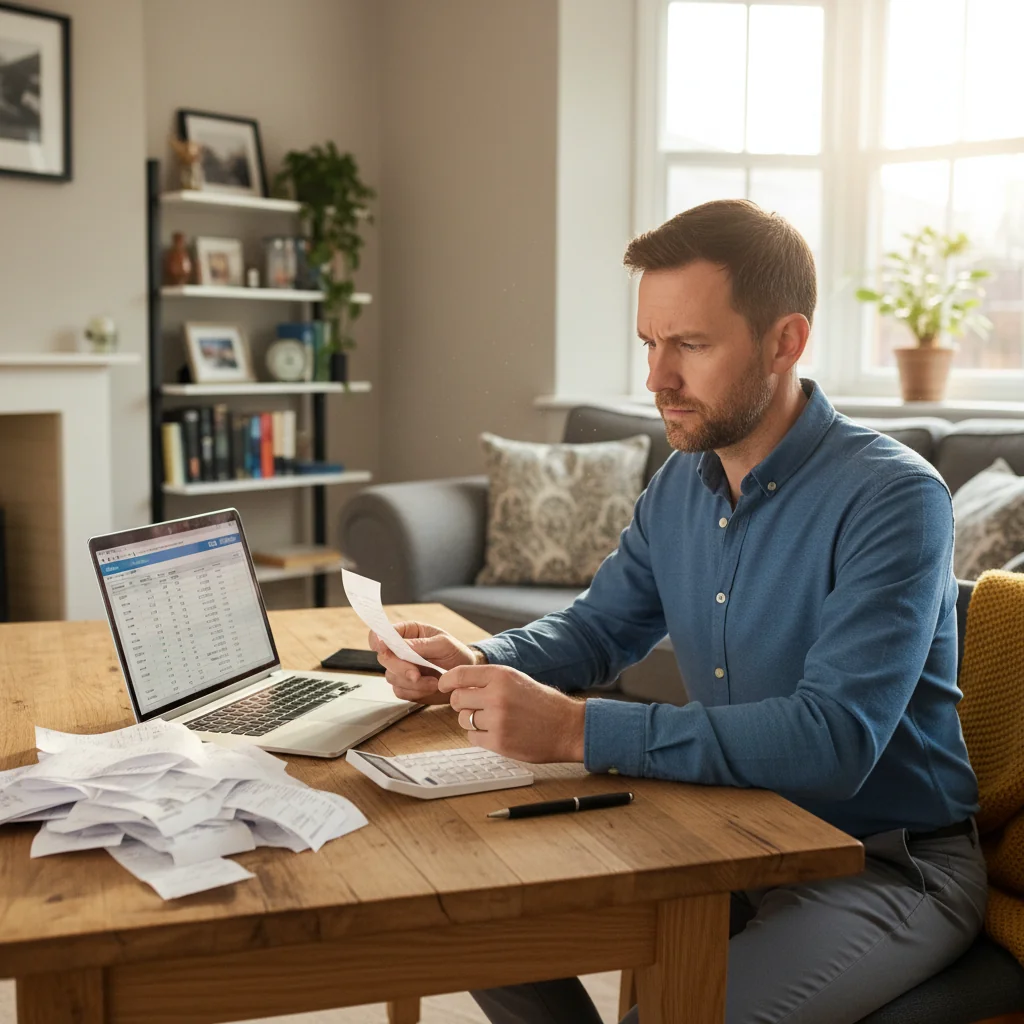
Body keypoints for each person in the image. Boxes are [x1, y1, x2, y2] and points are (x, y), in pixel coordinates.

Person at [368, 200, 987, 1024]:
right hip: (726, 831)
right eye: (650, 344)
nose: (657, 378)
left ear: (785, 340)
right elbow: (597, 629)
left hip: (880, 864)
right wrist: (480, 663)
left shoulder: (895, 499)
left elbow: (834, 741)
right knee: (469, 909)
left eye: (690, 345)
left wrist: (578, 732)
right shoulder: (681, 485)